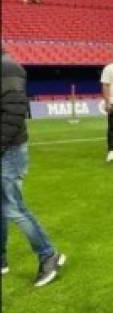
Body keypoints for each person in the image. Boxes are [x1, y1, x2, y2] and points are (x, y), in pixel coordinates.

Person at [1, 49, 66, 286]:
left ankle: (48, 255)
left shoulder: (8, 68)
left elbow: (15, 112)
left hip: (9, 150)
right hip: (6, 148)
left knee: (12, 207)